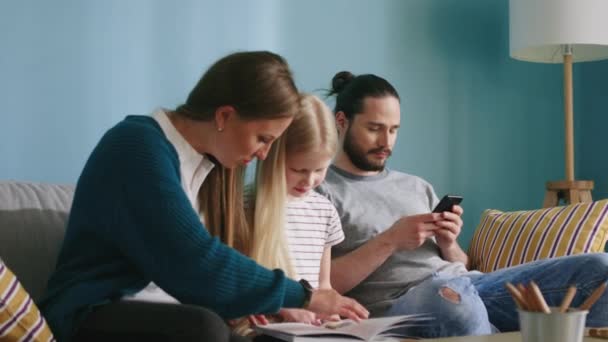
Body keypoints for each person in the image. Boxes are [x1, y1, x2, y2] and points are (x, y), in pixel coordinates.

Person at [39, 52, 368, 342]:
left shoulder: (205, 166)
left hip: (166, 312)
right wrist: (303, 296)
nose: (265, 154)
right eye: (262, 138)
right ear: (224, 116)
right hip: (92, 312)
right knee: (202, 329)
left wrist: (266, 305)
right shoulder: (137, 148)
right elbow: (194, 263)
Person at [316, 71, 608, 338]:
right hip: (411, 301)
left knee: (600, 268)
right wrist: (390, 240)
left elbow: (460, 265)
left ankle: (489, 327)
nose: (386, 141)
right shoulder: (323, 190)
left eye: (393, 130)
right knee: (448, 299)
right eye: (374, 129)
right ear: (341, 121)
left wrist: (448, 241)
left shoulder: (416, 186)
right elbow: (324, 286)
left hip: (471, 286)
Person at [231, 94, 344, 334]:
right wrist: (285, 308)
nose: (310, 180)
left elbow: (323, 286)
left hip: (310, 327)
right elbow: (239, 281)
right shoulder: (244, 206)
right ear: (273, 159)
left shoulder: (325, 212)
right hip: (261, 325)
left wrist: (332, 312)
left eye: (320, 169)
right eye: (299, 169)